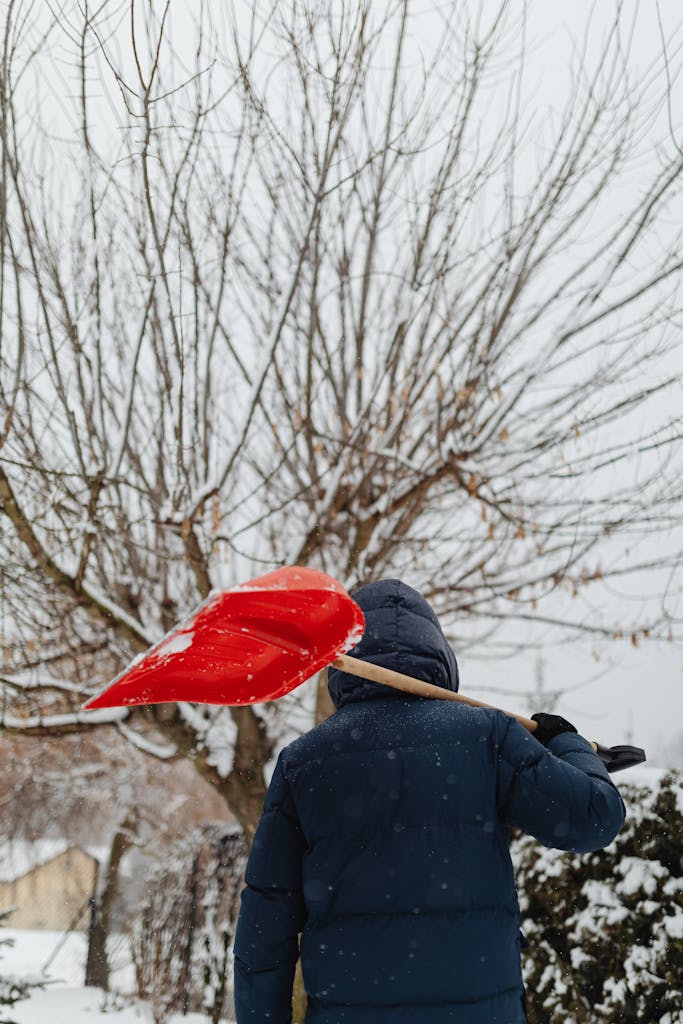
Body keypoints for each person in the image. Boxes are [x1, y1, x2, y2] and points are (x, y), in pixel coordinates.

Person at [233, 579, 625, 1023]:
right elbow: (595, 817)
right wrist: (566, 741)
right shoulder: (486, 737)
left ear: (343, 661)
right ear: (439, 656)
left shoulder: (302, 763)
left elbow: (266, 925)